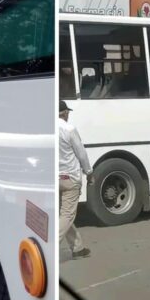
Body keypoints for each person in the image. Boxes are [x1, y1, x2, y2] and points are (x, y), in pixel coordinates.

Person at [59, 100, 92, 259]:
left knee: (64, 214)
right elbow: (81, 153)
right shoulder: (69, 129)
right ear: (65, 113)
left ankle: (77, 247)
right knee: (67, 215)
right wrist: (89, 172)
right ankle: (49, 248)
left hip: (54, 179)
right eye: (68, 113)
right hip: (70, 177)